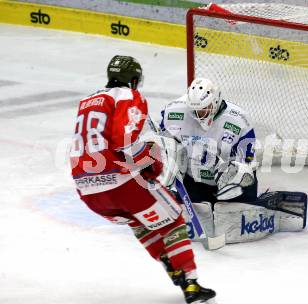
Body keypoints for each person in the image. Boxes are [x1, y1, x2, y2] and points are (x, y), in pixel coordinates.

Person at [70, 55, 216, 304]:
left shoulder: (86, 101)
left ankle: (171, 267)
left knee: (137, 221)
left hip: (86, 189)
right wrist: (150, 160)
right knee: (173, 220)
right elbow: (123, 143)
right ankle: (190, 284)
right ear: (134, 79)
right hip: (119, 182)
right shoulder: (129, 97)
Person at [160, 78, 258, 203]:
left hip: (234, 183)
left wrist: (224, 171)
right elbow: (164, 140)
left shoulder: (240, 120)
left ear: (216, 101)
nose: (200, 114)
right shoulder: (174, 111)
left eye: (205, 108)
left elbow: (246, 168)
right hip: (195, 181)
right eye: (196, 110)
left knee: (235, 220)